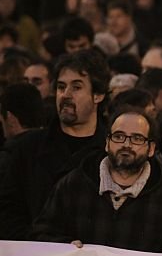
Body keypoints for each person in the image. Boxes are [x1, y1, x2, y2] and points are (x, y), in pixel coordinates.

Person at [31, 109, 162, 252]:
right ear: (107, 143)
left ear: (151, 148)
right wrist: (65, 246)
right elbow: (41, 233)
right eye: (119, 136)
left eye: (137, 138)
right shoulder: (74, 184)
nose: (126, 144)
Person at [0, 51, 109, 239]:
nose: (65, 95)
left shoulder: (112, 151)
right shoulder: (26, 149)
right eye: (61, 87)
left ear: (98, 95)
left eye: (76, 87)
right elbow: (8, 213)